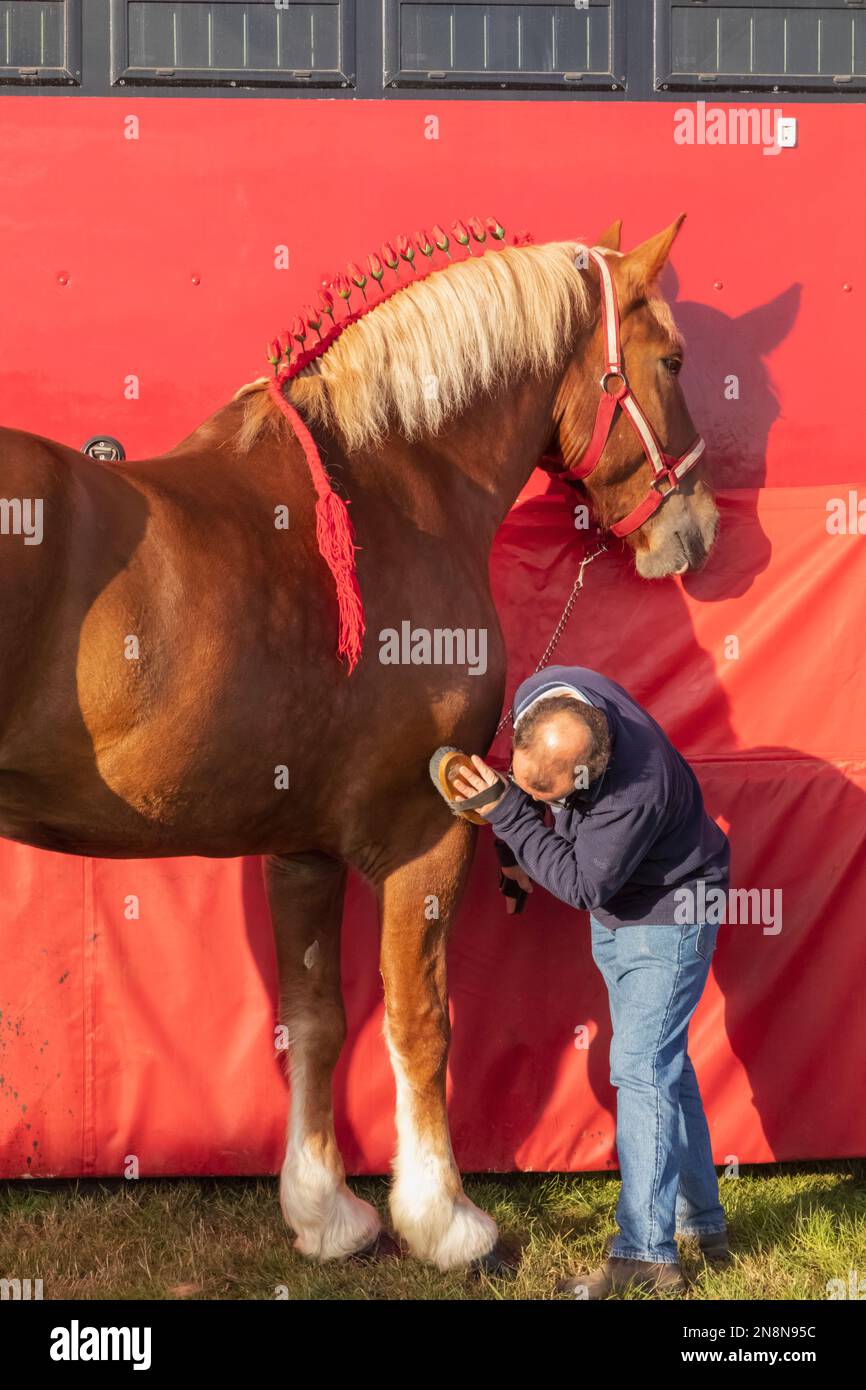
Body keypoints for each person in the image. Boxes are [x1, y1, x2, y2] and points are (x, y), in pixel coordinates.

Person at [451, 665, 731, 1298]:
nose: (550, 805)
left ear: (595, 767)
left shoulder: (637, 789)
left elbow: (581, 884)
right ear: (520, 730)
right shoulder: (548, 685)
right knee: (664, 1067)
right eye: (532, 787)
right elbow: (552, 825)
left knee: (640, 1068)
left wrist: (510, 817)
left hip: (669, 912)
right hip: (625, 905)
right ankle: (701, 1227)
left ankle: (647, 1257)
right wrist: (513, 841)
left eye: (562, 797)